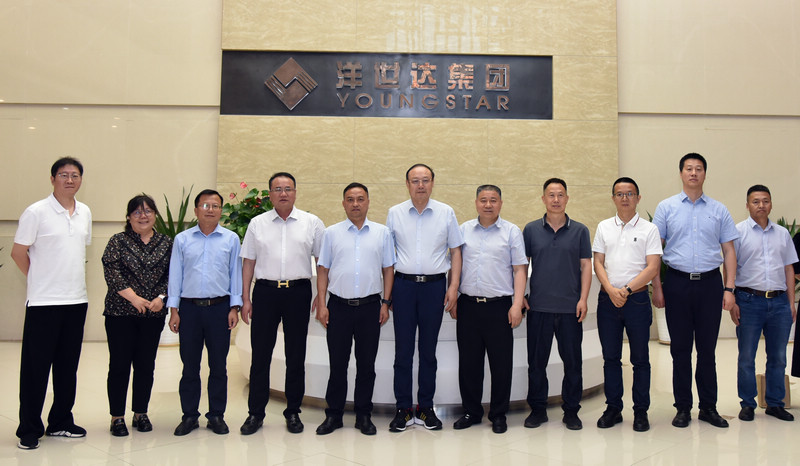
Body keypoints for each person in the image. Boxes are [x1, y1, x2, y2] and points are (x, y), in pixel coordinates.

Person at [11, 157, 92, 450]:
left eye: (75, 175)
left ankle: (60, 421)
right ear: (52, 179)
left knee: (67, 368)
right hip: (44, 303)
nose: (69, 180)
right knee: (36, 369)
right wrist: (39, 279)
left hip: (76, 300)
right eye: (63, 175)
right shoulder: (36, 212)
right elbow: (18, 253)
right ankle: (29, 428)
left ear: (80, 179)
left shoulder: (84, 212)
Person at [652, 152, 738, 429]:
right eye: (688, 168)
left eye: (698, 169)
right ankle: (682, 408)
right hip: (676, 283)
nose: (693, 173)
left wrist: (729, 288)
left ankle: (708, 407)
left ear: (704, 174)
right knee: (679, 350)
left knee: (707, 350)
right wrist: (657, 287)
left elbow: (729, 251)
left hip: (710, 285)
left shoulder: (719, 209)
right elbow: (654, 251)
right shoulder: (666, 208)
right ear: (681, 173)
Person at [239, 172, 325, 435]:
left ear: (295, 192)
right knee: (260, 355)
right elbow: (248, 262)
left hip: (298, 293)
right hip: (265, 293)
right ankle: (255, 413)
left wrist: (321, 296)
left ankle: (293, 412)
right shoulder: (257, 223)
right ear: (270, 194)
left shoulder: (312, 223)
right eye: (278, 189)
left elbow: (322, 262)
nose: (283, 193)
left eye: (288, 188)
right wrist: (245, 298)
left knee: (296, 355)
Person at [386, 163, 464, 431]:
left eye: (425, 180)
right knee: (403, 352)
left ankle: (426, 408)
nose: (421, 185)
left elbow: (456, 251)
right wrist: (388, 294)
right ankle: (403, 409)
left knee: (428, 351)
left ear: (432, 183)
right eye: (415, 180)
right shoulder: (395, 213)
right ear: (407, 184)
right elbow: (387, 256)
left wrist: (453, 287)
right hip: (404, 287)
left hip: (434, 288)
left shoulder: (446, 212)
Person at [314, 183, 396, 436]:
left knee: (366, 365)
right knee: (337, 364)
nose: (355, 204)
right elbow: (323, 269)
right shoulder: (331, 233)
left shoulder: (382, 233)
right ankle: (334, 415)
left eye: (360, 199)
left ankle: (363, 415)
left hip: (370, 307)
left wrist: (386, 303)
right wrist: (322, 304)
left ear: (368, 202)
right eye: (350, 199)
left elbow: (388, 270)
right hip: (338, 307)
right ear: (343, 204)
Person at [167, 189, 242, 436]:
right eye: (205, 205)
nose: (210, 210)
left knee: (219, 365)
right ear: (196, 210)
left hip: (219, 309)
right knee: (190, 366)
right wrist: (174, 309)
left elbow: (235, 274)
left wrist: (234, 307)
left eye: (215, 206)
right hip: (189, 310)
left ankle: (216, 416)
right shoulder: (182, 239)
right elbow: (175, 274)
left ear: (221, 210)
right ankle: (189, 416)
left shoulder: (231, 239)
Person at [453, 185, 527, 434]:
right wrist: (453, 294)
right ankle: (471, 412)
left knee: (501, 364)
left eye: (493, 200)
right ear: (476, 203)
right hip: (468, 306)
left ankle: (498, 414)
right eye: (483, 200)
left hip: (500, 307)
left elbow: (520, 269)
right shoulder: (463, 230)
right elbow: (455, 265)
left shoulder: (511, 231)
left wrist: (517, 304)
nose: (488, 205)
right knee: (469, 364)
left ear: (500, 204)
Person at [592, 177, 662, 432]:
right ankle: (613, 408)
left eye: (630, 193)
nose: (625, 198)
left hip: (638, 301)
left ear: (638, 198)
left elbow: (653, 267)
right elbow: (598, 262)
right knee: (611, 357)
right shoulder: (603, 227)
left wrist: (627, 290)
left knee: (640, 358)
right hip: (607, 300)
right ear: (613, 198)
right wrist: (611, 290)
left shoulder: (649, 229)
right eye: (620, 194)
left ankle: (641, 411)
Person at [522, 178, 592, 431]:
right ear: (543, 199)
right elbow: (521, 266)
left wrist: (583, 299)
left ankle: (571, 411)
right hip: (538, 307)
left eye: (560, 195)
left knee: (573, 364)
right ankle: (538, 410)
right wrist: (521, 296)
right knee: (536, 364)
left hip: (570, 308)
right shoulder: (530, 230)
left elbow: (586, 266)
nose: (555, 199)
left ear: (567, 198)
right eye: (551, 195)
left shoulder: (580, 230)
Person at [101, 194, 172, 436]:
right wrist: (133, 298)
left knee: (145, 365)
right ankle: (117, 417)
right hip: (120, 313)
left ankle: (141, 412)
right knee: (119, 365)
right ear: (129, 217)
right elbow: (112, 273)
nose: (143, 216)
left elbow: (173, 274)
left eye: (148, 211)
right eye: (137, 212)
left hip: (153, 314)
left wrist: (161, 298)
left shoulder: (166, 242)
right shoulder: (117, 241)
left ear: (155, 215)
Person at [730, 185, 797, 422]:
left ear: (771, 204)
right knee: (746, 357)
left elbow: (789, 269)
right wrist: (732, 299)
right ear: (747, 205)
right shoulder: (738, 232)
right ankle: (747, 403)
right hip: (748, 301)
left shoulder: (783, 234)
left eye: (765, 201)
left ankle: (775, 403)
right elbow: (730, 268)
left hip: (779, 302)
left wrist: (791, 302)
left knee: (778, 356)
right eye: (756, 201)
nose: (761, 205)